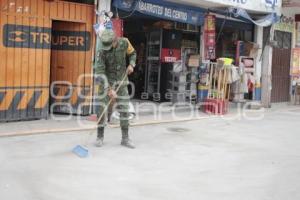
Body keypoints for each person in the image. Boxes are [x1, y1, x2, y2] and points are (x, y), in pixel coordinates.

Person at [94, 29, 137, 149]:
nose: (106, 47)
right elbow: (100, 71)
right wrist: (108, 89)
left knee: (124, 109)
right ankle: (100, 136)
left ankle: (125, 138)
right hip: (105, 82)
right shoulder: (101, 49)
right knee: (101, 109)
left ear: (115, 40)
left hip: (121, 82)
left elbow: (133, 53)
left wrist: (131, 64)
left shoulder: (124, 42)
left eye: (109, 45)